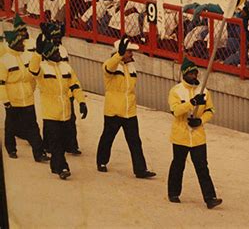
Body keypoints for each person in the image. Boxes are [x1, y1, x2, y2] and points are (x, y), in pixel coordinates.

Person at [29, 34, 88, 180]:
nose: (58, 54)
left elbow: (75, 85)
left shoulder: (66, 67)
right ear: (48, 54)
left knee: (60, 141)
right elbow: (32, 69)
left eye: (58, 51)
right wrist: (37, 52)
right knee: (56, 142)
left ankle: (55, 166)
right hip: (50, 113)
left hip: (65, 112)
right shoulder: (42, 68)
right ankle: (63, 167)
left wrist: (82, 102)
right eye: (55, 52)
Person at [96, 37, 156, 179]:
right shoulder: (111, 65)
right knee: (108, 137)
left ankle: (140, 170)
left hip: (129, 111)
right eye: (129, 51)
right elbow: (108, 67)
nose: (131, 54)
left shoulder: (130, 67)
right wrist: (119, 55)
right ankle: (101, 162)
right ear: (120, 52)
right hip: (114, 110)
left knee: (135, 141)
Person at [167, 57, 222, 209]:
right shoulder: (176, 91)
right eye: (191, 73)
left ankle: (210, 198)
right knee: (178, 165)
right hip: (180, 135)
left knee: (202, 167)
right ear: (184, 74)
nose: (194, 76)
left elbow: (210, 110)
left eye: (195, 73)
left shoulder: (203, 91)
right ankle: (173, 193)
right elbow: (176, 111)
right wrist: (191, 103)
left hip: (198, 136)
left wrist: (201, 120)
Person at [0, 29, 49, 162]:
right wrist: (5, 101)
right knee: (10, 126)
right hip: (13, 101)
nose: (23, 44)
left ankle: (39, 153)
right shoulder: (4, 61)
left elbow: (32, 73)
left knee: (33, 126)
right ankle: (11, 149)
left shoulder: (26, 56)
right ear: (14, 44)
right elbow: (1, 84)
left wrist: (31, 90)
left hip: (27, 99)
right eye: (20, 42)